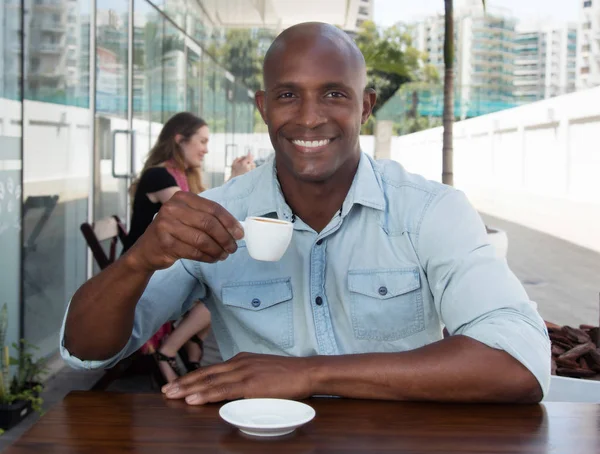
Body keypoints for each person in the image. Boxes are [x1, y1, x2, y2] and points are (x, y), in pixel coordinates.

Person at [61, 22, 550, 405]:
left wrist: (308, 374)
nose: (310, 116)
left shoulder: (430, 211)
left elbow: (519, 364)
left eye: (334, 93)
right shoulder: (219, 212)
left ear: (365, 107)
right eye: (288, 94)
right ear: (264, 106)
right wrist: (137, 260)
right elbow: (86, 353)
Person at [122, 112, 255, 383]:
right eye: (202, 141)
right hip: (146, 272)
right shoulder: (159, 177)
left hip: (169, 264)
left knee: (224, 280)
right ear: (180, 140)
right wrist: (235, 180)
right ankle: (169, 350)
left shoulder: (183, 176)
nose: (206, 149)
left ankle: (190, 352)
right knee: (222, 288)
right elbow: (199, 220)